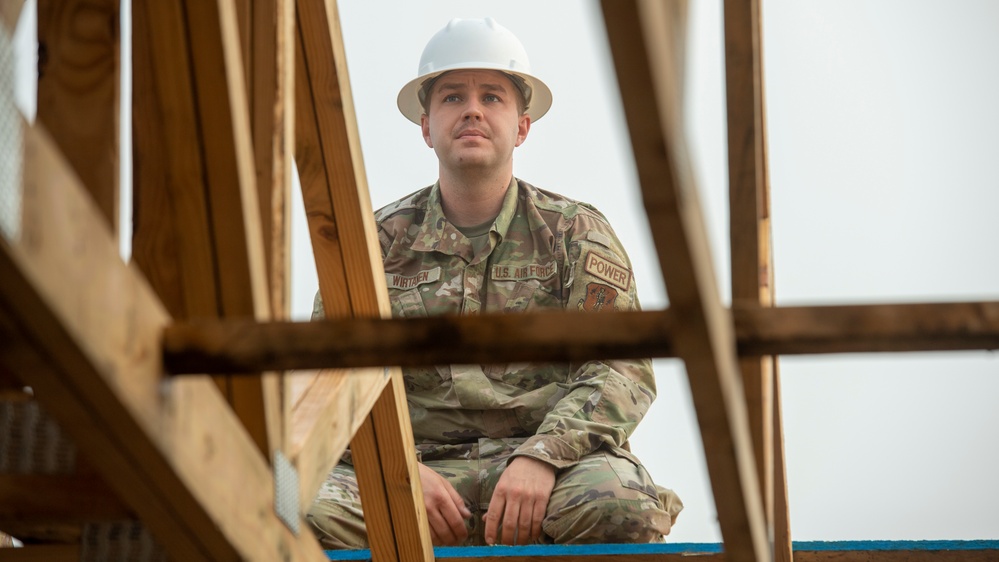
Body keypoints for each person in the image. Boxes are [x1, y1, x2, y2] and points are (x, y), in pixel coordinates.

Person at [307, 17, 681, 548]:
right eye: (452, 97)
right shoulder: (373, 243)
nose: (473, 110)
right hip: (410, 473)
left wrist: (542, 456)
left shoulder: (574, 231)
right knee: (293, 511)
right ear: (426, 126)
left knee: (622, 511)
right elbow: (330, 382)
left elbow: (620, 368)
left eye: (493, 97)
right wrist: (397, 470)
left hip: (553, 471)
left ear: (522, 126)